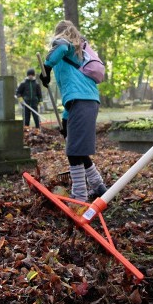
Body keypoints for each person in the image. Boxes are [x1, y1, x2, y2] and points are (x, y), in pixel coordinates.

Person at [39, 21, 107, 202]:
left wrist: (47, 66)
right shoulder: (77, 52)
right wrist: (65, 120)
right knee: (77, 149)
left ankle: (80, 196)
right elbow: (71, 90)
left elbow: (60, 48)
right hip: (81, 102)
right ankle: (98, 186)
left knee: (73, 151)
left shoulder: (64, 44)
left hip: (82, 101)